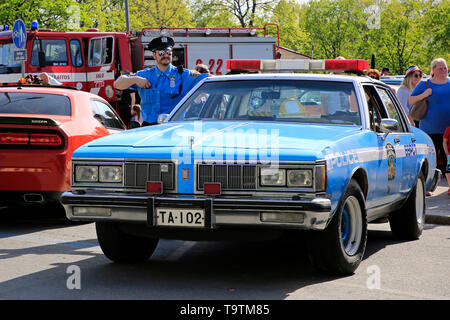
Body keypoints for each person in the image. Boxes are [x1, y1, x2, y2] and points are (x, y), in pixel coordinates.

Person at [113, 36, 209, 125]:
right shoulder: (144, 75)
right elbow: (117, 84)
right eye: (161, 53)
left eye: (168, 52)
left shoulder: (183, 75)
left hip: (174, 128)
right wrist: (135, 79)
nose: (165, 55)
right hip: (149, 129)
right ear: (154, 55)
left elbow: (208, 78)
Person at [409, 58, 450, 187]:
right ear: (433, 70)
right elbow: (410, 100)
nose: (443, 71)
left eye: (445, 68)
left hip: (447, 130)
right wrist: (424, 95)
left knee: (447, 158)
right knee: (430, 160)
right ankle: (428, 186)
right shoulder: (424, 84)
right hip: (429, 129)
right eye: (440, 68)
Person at [443, 126, 450, 196]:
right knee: (448, 172)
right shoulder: (448, 129)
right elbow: (445, 142)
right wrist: (447, 153)